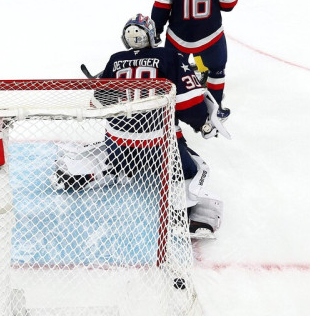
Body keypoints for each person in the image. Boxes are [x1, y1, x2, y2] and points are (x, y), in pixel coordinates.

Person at [55, 15, 225, 237]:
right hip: (160, 144)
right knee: (194, 169)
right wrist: (203, 124)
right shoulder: (170, 55)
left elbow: (97, 103)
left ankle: (79, 173)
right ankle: (184, 216)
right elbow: (189, 102)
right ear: (152, 36)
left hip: (119, 143)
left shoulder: (115, 59)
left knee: (111, 152)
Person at [151, 0, 238, 120]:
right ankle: (215, 110)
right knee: (216, 70)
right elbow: (229, 4)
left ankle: (170, 114)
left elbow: (162, 7)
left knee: (173, 75)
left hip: (178, 35)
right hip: (211, 33)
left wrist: (155, 30)